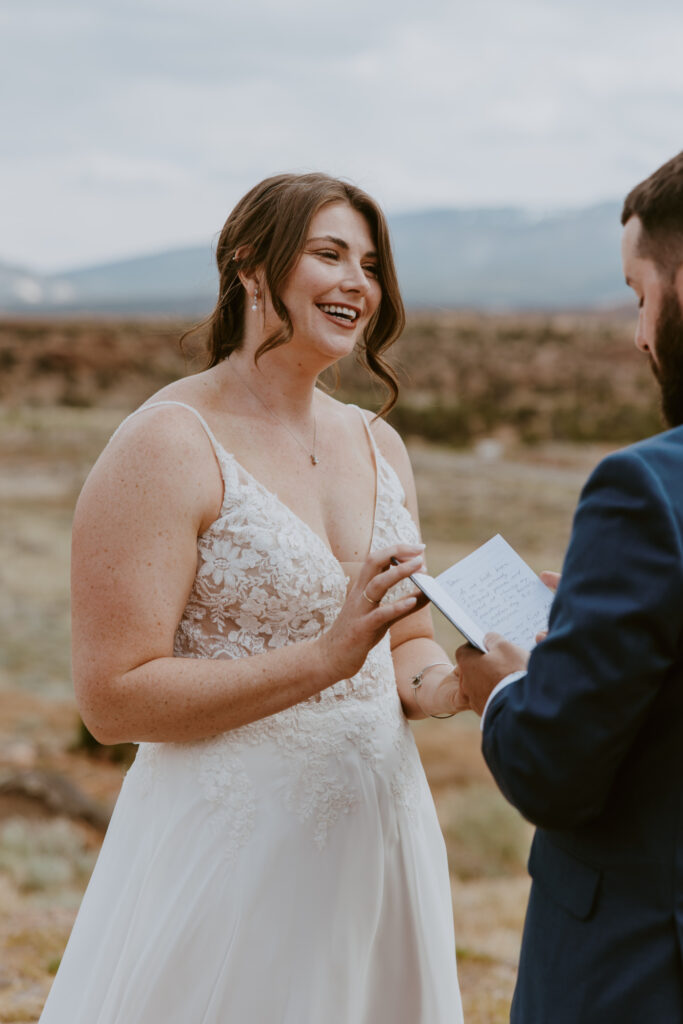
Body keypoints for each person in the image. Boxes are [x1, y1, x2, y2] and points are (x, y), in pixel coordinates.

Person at [39, 173, 465, 1023]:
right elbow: (113, 699)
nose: (358, 283)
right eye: (329, 254)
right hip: (229, 855)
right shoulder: (166, 443)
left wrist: (454, 685)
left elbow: (407, 644)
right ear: (248, 267)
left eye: (371, 265)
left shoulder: (380, 443)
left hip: (380, 835)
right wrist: (320, 660)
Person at [456, 150, 683, 1023]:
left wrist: (502, 687)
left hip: (638, 967)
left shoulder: (646, 489)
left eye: (639, 294)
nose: (638, 332)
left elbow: (554, 767)